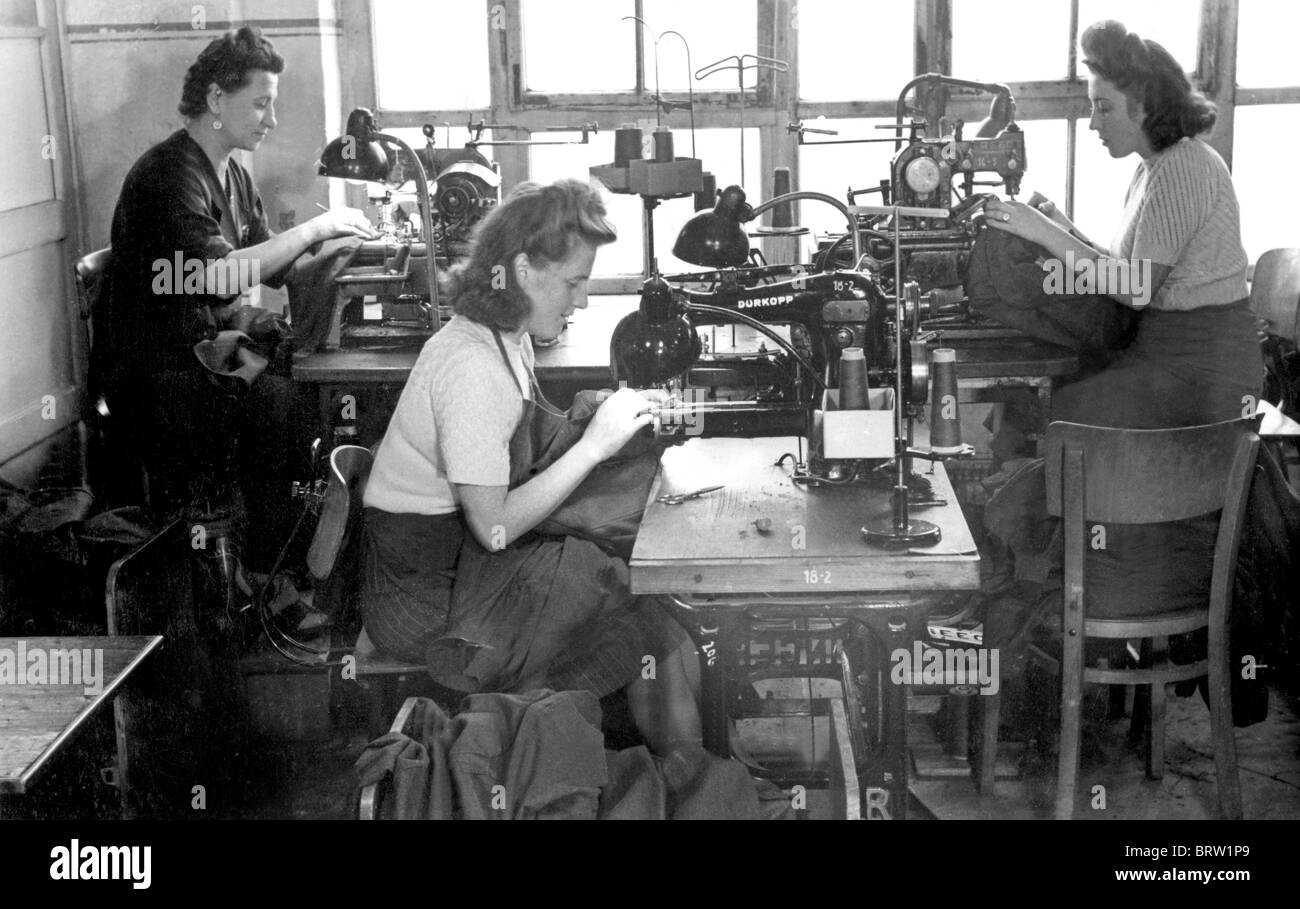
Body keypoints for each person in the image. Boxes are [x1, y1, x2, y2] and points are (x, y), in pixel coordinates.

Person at [361, 179, 704, 761]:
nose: (583, 300)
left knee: (637, 586)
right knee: (642, 608)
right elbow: (494, 528)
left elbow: (518, 449)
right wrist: (593, 446)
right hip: (425, 596)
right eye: (574, 282)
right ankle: (653, 777)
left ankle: (665, 774)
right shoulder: (472, 367)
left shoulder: (507, 337)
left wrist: (599, 418)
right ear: (522, 271)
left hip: (462, 564)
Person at [96, 26, 376, 561]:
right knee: (288, 402)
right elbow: (222, 277)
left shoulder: (231, 174)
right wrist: (316, 229)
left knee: (315, 383)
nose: (271, 120)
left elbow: (270, 266)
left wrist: (355, 244)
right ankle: (275, 568)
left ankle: (291, 560)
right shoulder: (167, 176)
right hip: (162, 374)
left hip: (209, 354)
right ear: (217, 98)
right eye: (261, 105)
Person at [983, 19, 1262, 429]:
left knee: (1061, 411)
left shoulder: (1183, 167)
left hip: (1206, 371)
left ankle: (1030, 488)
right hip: (1166, 353)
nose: (1094, 123)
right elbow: (1126, 268)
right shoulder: (1154, 168)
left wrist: (1041, 231)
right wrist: (1063, 225)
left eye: (1104, 106)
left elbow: (1134, 289)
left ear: (1145, 104)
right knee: (1036, 397)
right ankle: (1026, 485)